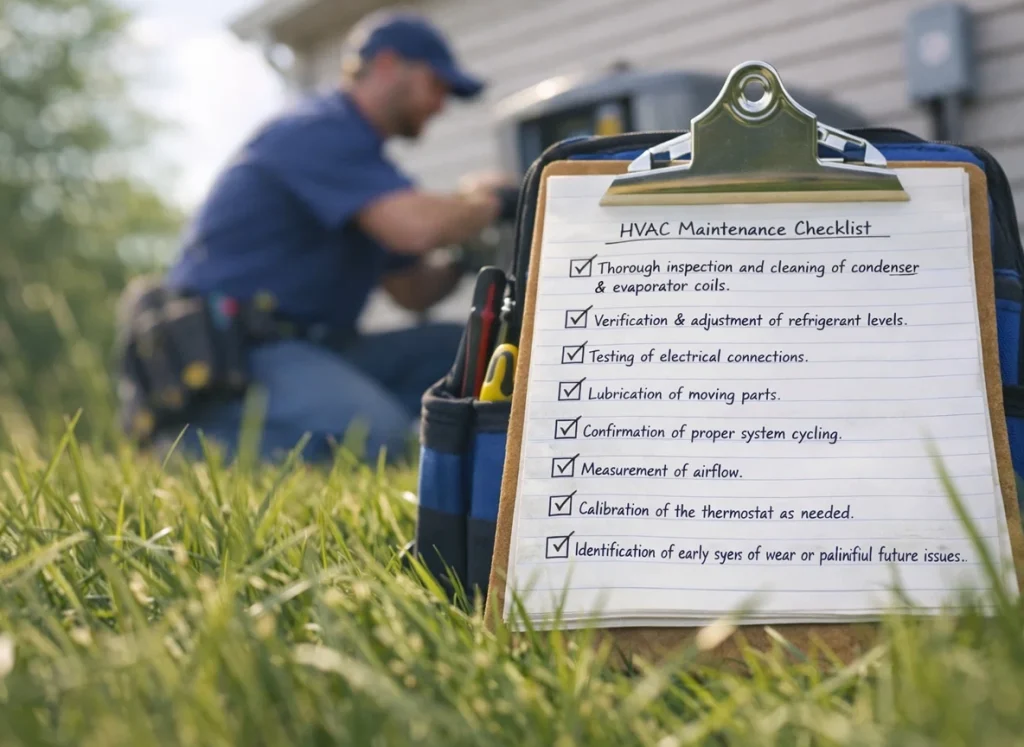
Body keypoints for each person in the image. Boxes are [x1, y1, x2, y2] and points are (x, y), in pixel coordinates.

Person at [119, 11, 517, 466]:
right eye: (436, 85)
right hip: (242, 352)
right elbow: (414, 227)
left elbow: (412, 290)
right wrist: (487, 201)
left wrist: (466, 259)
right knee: (374, 435)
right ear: (388, 65)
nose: (440, 105)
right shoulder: (317, 129)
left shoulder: (367, 170)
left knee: (471, 354)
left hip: (320, 348)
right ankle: (184, 448)